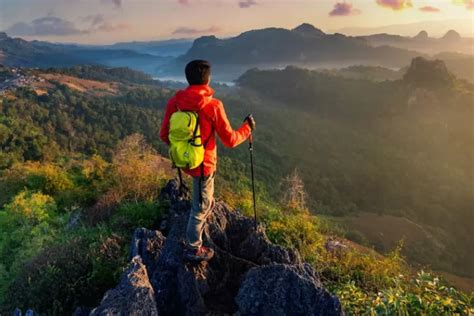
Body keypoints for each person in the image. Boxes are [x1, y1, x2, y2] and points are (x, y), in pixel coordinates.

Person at [160, 60, 256, 261]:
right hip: (204, 165)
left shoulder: (175, 103)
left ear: (188, 78)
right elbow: (229, 140)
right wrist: (247, 129)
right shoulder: (213, 105)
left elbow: (164, 135)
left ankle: (201, 217)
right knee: (200, 207)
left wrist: (184, 150)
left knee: (202, 198)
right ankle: (194, 248)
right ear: (208, 79)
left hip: (185, 162)